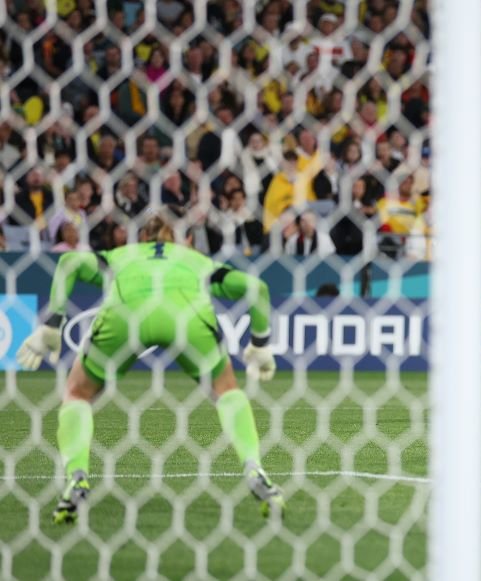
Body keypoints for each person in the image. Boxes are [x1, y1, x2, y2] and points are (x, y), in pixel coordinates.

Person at [16, 215, 285, 523]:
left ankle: (77, 478)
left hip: (126, 314)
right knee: (227, 391)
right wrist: (261, 344)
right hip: (186, 316)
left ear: (140, 236)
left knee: (77, 393)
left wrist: (52, 326)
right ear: (183, 239)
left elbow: (68, 263)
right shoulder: (195, 260)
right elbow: (257, 287)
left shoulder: (122, 255)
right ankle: (255, 469)